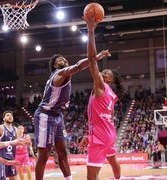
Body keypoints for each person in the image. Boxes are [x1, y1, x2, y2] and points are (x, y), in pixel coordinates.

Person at [33, 46, 110, 179]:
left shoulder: (64, 76)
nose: (65, 59)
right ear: (56, 64)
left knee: (63, 153)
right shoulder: (59, 73)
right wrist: (94, 59)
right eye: (61, 59)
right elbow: (79, 66)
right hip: (46, 115)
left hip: (58, 116)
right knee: (44, 154)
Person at [84, 15, 125, 180]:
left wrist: (91, 32)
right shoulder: (112, 96)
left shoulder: (101, 85)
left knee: (91, 175)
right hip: (109, 134)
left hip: (100, 137)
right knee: (114, 162)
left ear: (109, 80)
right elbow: (111, 116)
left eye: (106, 73)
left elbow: (91, 60)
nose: (103, 71)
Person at [0, 110, 18, 180]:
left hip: (11, 158)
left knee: (13, 178)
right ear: (3, 118)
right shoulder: (0, 128)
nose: (10, 116)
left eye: (11, 115)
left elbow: (17, 143)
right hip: (1, 158)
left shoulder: (15, 129)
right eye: (7, 115)